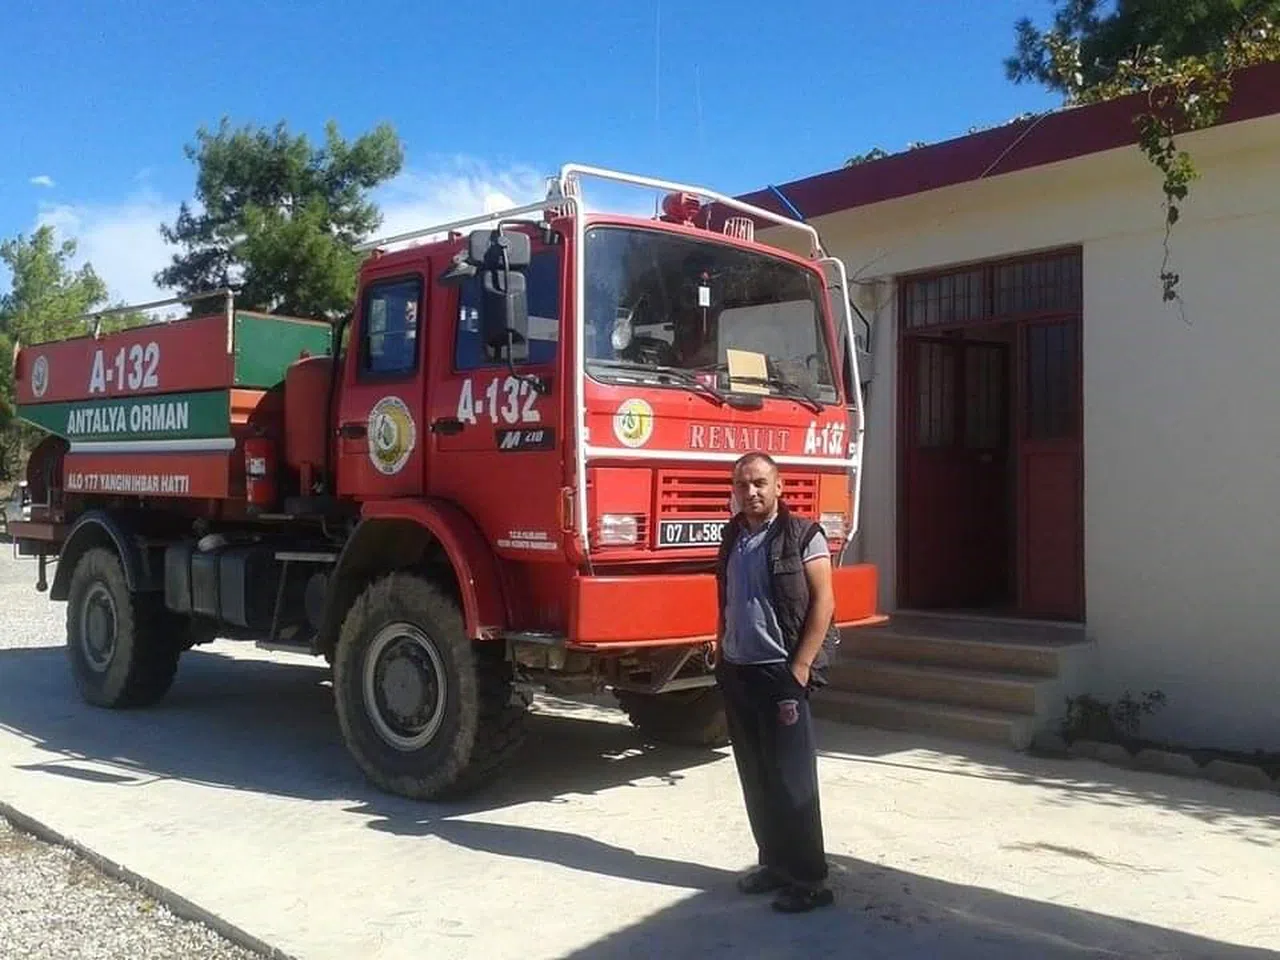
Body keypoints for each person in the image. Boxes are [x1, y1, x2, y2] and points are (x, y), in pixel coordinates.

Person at [713, 451, 838, 913]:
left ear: (780, 486)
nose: (752, 492)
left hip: (780, 671)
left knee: (792, 779)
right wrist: (720, 645)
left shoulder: (804, 535)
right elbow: (726, 597)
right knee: (758, 776)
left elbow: (824, 601)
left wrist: (801, 666)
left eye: (761, 483)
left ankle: (810, 879)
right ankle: (775, 864)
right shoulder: (732, 537)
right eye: (743, 485)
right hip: (738, 670)